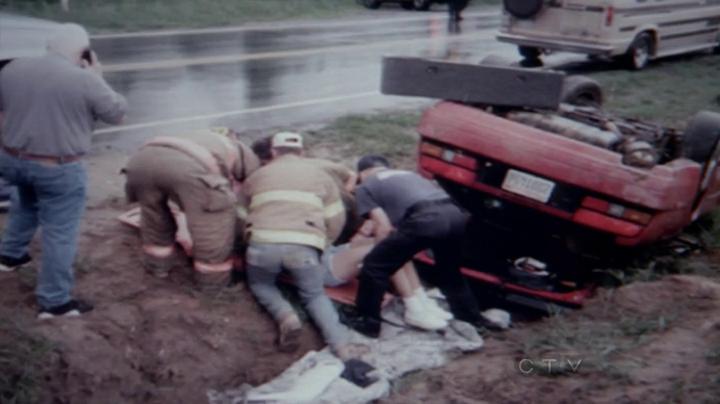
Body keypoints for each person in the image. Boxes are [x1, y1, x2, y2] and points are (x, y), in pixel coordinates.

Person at [0, 23, 127, 318]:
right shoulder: (85, 80)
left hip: (13, 160)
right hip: (56, 168)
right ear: (84, 52)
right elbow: (117, 114)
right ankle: (54, 302)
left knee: (26, 202)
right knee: (60, 232)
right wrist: (98, 77)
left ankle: (9, 255)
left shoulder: (12, 69)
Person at [344, 155, 491, 338]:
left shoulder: (366, 185)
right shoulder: (407, 174)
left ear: (362, 173)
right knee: (450, 272)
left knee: (374, 266)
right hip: (455, 215)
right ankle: (474, 320)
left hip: (426, 218)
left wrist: (380, 251)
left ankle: (368, 322)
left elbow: (383, 226)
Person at [242, 132, 359, 358]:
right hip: (304, 247)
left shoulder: (257, 176)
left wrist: (246, 242)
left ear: (273, 152)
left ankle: (285, 314)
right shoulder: (321, 176)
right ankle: (343, 348)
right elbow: (336, 219)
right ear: (302, 152)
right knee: (314, 295)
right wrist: (322, 244)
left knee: (261, 284)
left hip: (263, 245)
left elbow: (240, 216)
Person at [123, 127, 259, 288]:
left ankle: (158, 268)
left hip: (140, 163)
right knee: (213, 223)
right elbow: (252, 188)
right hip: (184, 170)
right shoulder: (243, 151)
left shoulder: (199, 136)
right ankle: (213, 285)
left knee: (155, 217)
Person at [322, 219, 452, 331]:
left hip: (330, 250)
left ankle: (420, 297)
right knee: (388, 250)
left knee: (396, 241)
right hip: (320, 264)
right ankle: (413, 307)